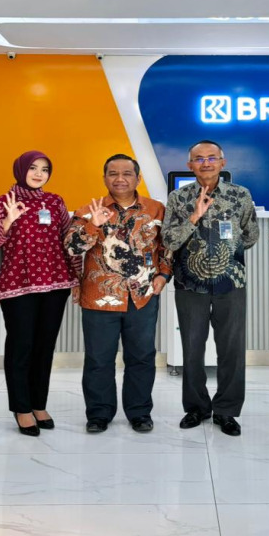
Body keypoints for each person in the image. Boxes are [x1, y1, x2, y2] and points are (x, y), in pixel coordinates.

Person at [65, 154, 172, 433]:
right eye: (113, 173)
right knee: (99, 359)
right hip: (99, 297)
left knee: (141, 356)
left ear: (138, 178)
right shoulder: (88, 210)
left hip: (143, 295)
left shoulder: (156, 209)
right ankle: (99, 414)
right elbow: (71, 248)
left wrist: (164, 274)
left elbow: (167, 247)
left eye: (127, 173)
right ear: (104, 178)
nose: (120, 179)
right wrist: (93, 225)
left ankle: (139, 412)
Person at [161, 140, 259, 436]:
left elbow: (251, 235)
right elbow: (169, 240)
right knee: (192, 348)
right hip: (189, 284)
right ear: (190, 165)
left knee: (232, 349)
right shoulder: (178, 197)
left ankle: (227, 410)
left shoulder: (240, 195)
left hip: (231, 282)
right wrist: (194, 217)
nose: (206, 163)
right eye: (199, 159)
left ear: (222, 162)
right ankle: (196, 408)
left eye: (211, 158)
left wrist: (227, 255)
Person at [0, 150, 80, 436]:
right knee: (21, 346)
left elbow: (68, 241)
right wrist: (7, 222)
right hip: (18, 285)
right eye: (33, 168)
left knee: (44, 347)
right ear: (20, 169)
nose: (39, 174)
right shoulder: (3, 202)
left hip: (55, 284)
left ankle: (38, 404)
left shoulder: (55, 201)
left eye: (44, 169)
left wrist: (77, 277)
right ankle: (22, 408)